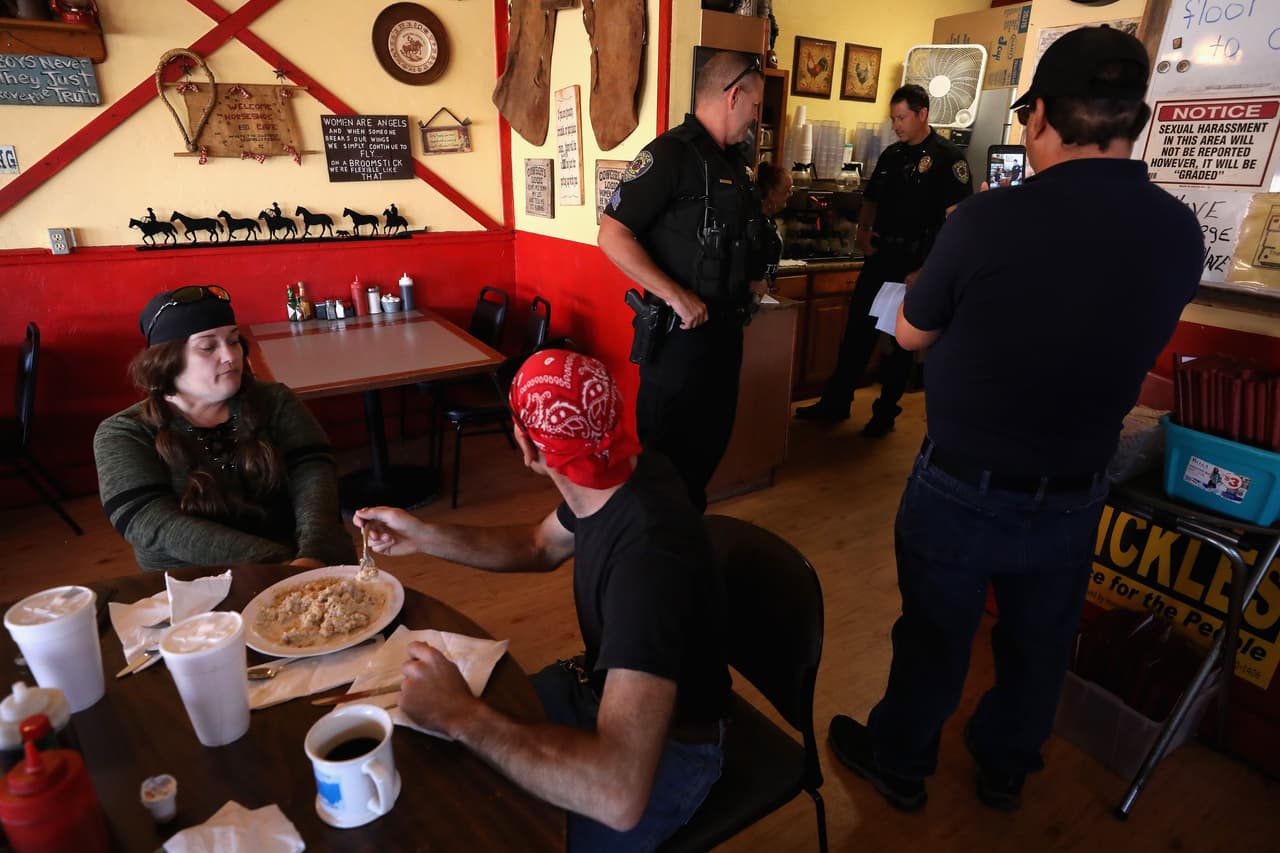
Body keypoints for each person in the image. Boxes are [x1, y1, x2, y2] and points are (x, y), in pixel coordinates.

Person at [827, 26, 1204, 813]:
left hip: (964, 479)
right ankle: (1004, 766)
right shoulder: (1179, 231)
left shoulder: (987, 222)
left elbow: (912, 331)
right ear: (1135, 118)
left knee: (934, 632)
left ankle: (901, 761)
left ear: (1038, 117)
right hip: (1075, 484)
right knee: (1037, 642)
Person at [354, 349, 729, 852]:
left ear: (527, 447)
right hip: (602, 698)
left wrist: (461, 714)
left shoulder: (648, 563)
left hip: (670, 753)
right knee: (439, 765)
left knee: (482, 824)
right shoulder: (621, 472)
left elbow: (617, 793)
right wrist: (422, 536)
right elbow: (539, 545)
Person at [598, 51, 766, 511]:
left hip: (725, 335)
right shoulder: (670, 154)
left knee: (706, 451)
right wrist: (675, 295)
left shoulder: (733, 162)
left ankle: (684, 539)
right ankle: (655, 552)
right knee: (665, 460)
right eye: (755, 105)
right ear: (734, 95)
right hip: (680, 340)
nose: (756, 117)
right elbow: (612, 235)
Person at [94, 286, 355, 572]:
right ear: (165, 360)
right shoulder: (124, 433)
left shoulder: (275, 400)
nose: (231, 356)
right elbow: (150, 521)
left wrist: (312, 553)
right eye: (208, 347)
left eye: (233, 341)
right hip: (197, 583)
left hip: (306, 559)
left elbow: (314, 475)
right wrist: (278, 565)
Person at [795, 83, 972, 437]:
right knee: (856, 331)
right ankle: (836, 402)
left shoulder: (947, 158)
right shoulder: (892, 155)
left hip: (915, 262)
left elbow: (957, 220)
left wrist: (928, 269)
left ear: (923, 114)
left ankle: (884, 413)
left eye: (902, 117)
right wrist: (863, 230)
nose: (897, 125)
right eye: (893, 118)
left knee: (896, 343)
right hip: (881, 255)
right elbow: (872, 198)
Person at [755, 159, 793, 291]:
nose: (790, 195)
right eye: (787, 191)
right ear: (771, 194)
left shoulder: (769, 222)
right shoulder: (754, 225)